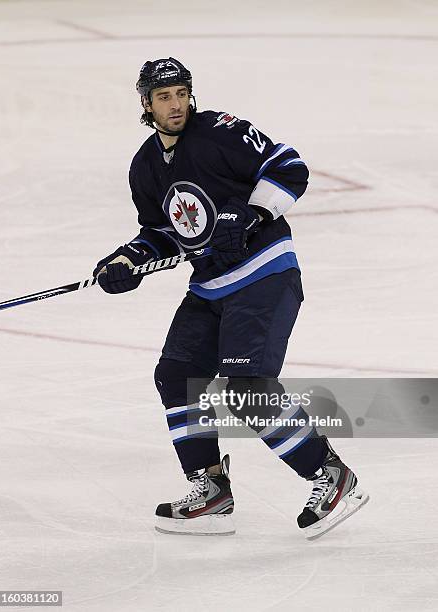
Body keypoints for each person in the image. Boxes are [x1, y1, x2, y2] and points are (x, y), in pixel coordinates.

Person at [94, 57, 369, 539]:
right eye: (164, 97)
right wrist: (126, 261)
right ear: (146, 104)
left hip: (264, 273)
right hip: (210, 286)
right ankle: (211, 488)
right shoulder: (144, 167)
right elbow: (163, 233)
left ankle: (331, 476)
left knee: (245, 385)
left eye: (181, 92)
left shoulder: (220, 131)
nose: (175, 103)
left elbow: (290, 167)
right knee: (177, 374)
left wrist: (249, 213)